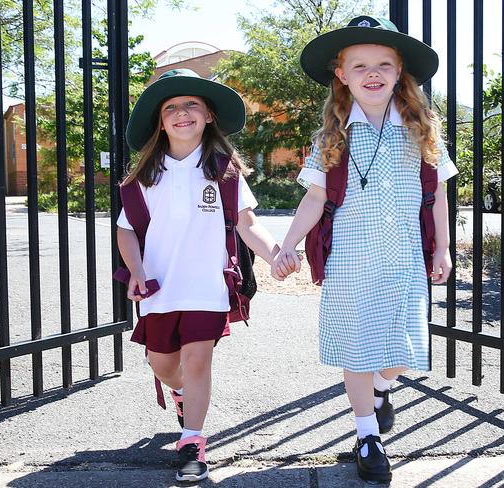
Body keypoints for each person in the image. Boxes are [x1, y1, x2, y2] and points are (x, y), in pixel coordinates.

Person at [272, 16, 458, 485]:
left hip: (405, 257)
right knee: (357, 349)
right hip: (351, 260)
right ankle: (367, 435)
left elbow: (437, 196)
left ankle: (380, 388)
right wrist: (288, 245)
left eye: (382, 64)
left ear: (399, 72)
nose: (371, 73)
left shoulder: (421, 129)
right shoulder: (332, 136)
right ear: (342, 75)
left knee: (403, 349)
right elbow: (314, 198)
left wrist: (444, 250)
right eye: (359, 65)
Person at [117, 68, 280, 482]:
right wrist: (135, 271)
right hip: (159, 288)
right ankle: (179, 395)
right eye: (171, 106)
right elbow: (126, 230)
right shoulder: (146, 177)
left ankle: (192, 441)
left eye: (192, 104)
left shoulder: (224, 171)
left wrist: (277, 253)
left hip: (207, 285)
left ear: (209, 115)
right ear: (160, 120)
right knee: (163, 363)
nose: (182, 112)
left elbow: (247, 224)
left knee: (197, 360)